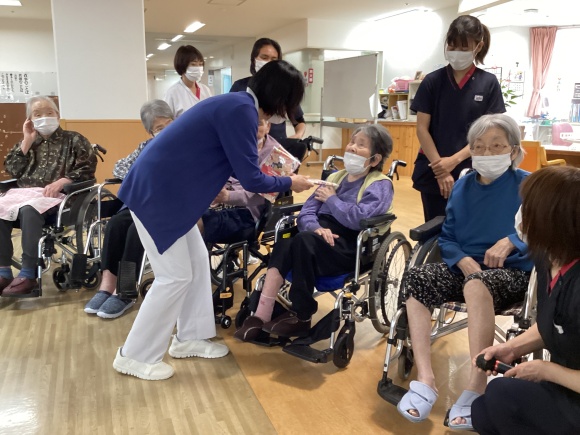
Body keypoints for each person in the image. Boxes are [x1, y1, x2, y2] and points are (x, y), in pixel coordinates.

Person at [113, 60, 313, 381]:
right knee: (174, 276)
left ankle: (190, 337)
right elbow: (251, 178)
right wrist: (292, 181)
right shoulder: (241, 110)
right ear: (280, 98)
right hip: (159, 194)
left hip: (171, 193)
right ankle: (134, 355)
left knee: (195, 264)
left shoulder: (239, 106)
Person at [396, 114, 532, 431]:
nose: (486, 153)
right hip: (466, 269)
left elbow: (542, 230)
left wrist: (511, 242)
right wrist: (460, 259)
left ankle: (476, 386)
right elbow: (447, 236)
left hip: (511, 272)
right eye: (479, 147)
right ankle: (426, 379)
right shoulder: (462, 185)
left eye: (496, 146)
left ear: (513, 150)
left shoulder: (528, 185)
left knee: (476, 283)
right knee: (417, 277)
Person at [234, 124, 394, 341]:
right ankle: (261, 314)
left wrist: (332, 200)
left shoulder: (380, 185)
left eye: (361, 145)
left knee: (303, 241)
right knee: (287, 240)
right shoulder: (335, 178)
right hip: (316, 237)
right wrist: (316, 228)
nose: (352, 148)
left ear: (375, 159)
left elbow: (359, 219)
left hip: (349, 245)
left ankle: (302, 316)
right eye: (352, 142)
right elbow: (307, 212)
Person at [472, 166, 580, 434]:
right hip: (563, 385)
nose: (521, 215)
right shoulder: (547, 259)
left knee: (501, 395)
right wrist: (512, 348)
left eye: (529, 208)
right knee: (482, 412)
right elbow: (554, 323)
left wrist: (546, 371)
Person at [83, 99, 174, 319]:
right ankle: (107, 285)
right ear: (150, 132)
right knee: (115, 224)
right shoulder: (145, 147)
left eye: (168, 124)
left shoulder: (184, 145)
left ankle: (125, 290)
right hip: (140, 201)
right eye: (159, 128)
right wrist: (141, 173)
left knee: (136, 230)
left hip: (167, 206)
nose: (165, 130)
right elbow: (120, 166)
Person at [411, 15, 505, 222]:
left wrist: (453, 161)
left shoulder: (488, 83)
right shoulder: (432, 81)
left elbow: (490, 134)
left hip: (472, 166)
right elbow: (422, 129)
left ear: (478, 46)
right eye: (452, 46)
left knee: (469, 227)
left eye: (464, 48)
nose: (456, 53)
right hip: (433, 167)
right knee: (434, 227)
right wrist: (441, 169)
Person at [0, 96, 96, 297]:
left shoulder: (74, 139)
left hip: (60, 196)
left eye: (49, 113)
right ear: (29, 120)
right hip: (24, 193)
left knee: (29, 210)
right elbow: (12, 169)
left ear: (57, 115)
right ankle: (3, 272)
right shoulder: (27, 143)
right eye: (37, 114)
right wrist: (27, 141)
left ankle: (28, 273)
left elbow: (87, 168)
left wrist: (64, 181)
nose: (44, 117)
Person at [199, 119, 274, 244]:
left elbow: (263, 196)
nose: (252, 128)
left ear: (268, 126)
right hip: (218, 203)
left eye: (258, 124)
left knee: (199, 223)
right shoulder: (233, 144)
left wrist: (228, 196)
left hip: (248, 213)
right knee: (185, 214)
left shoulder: (278, 156)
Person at [230, 38, 306, 142]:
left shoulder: (284, 88)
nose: (269, 63)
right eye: (264, 57)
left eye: (274, 60)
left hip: (277, 143)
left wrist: (297, 136)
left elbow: (298, 119)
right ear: (253, 59)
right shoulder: (241, 87)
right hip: (248, 142)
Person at [164, 45, 212, 118]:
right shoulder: (172, 93)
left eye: (200, 64)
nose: (198, 68)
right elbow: (166, 120)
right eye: (193, 64)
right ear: (182, 66)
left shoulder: (205, 90)